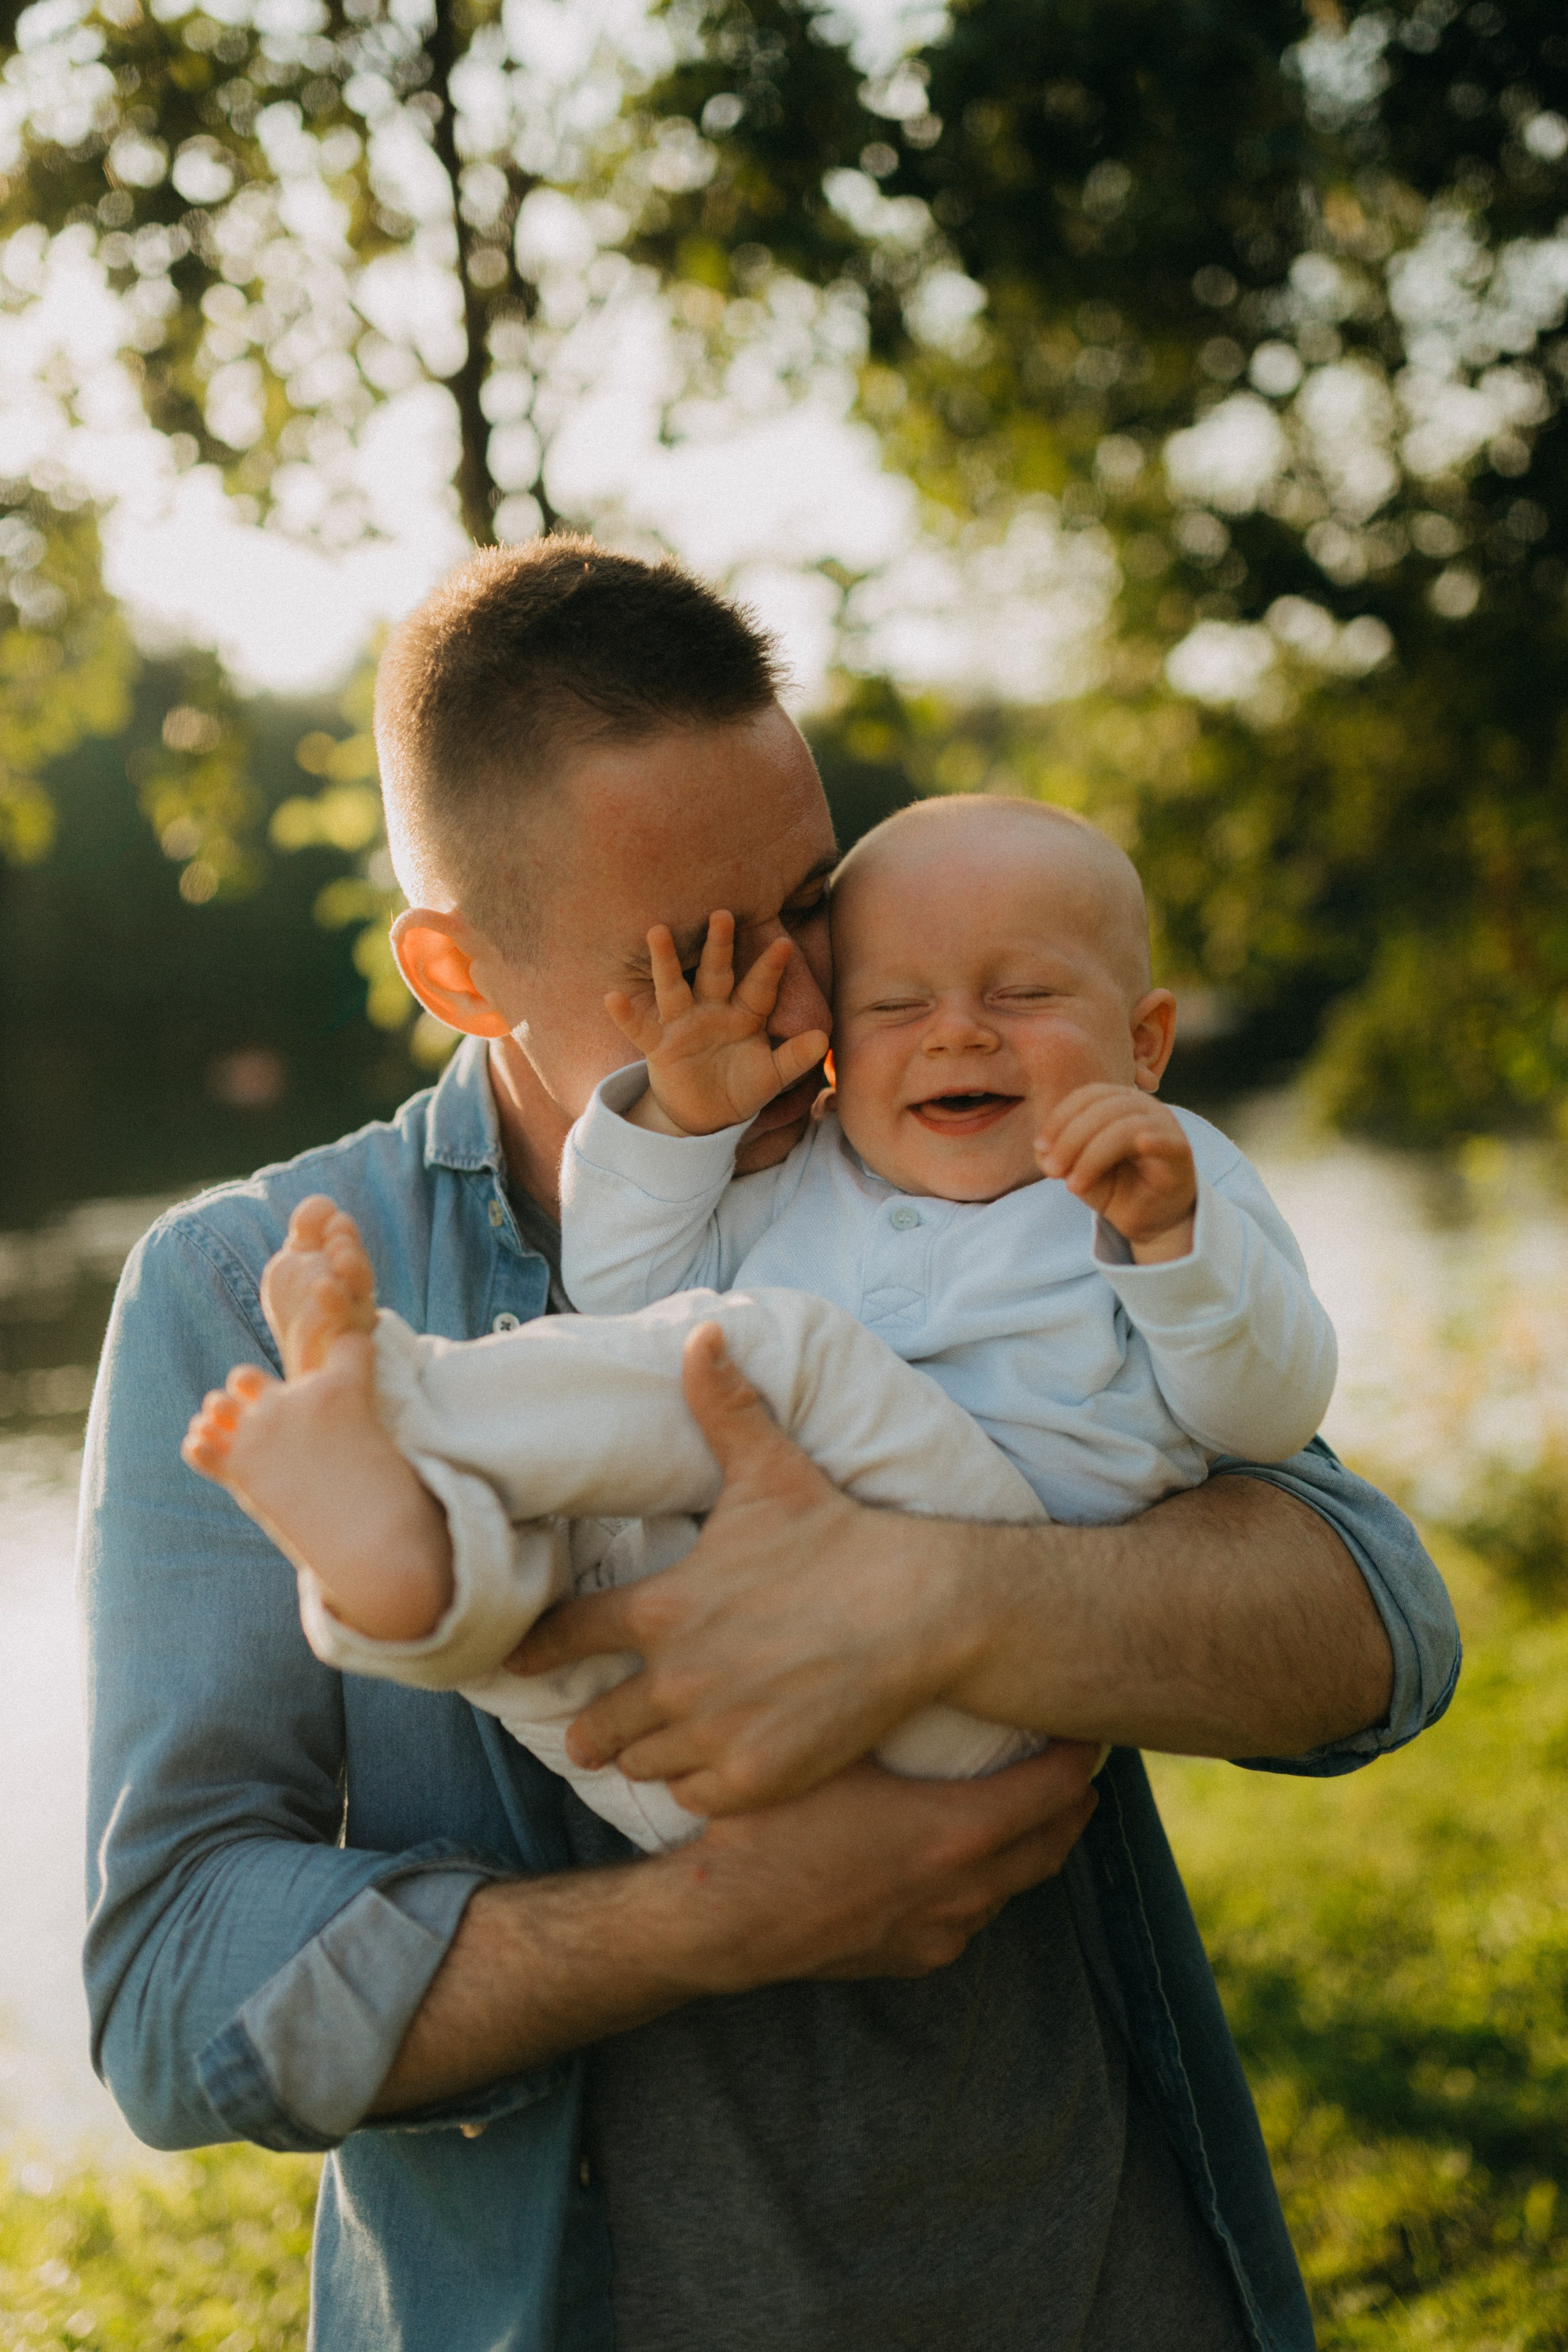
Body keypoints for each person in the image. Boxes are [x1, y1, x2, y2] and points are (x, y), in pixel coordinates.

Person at [83, 537, 1460, 2352]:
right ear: (458, 971)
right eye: (694, 962)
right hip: (575, 2310)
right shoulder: (251, 1284)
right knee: (472, 1585)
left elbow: (1377, 1629)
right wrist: (712, 1918)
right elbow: (178, 1998)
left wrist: (941, 1605)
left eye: (807, 909)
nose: (810, 1015)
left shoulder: (958, 1159)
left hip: (1093, 2278)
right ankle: (408, 1487)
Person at [179, 797, 1337, 1860]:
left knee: (762, 1352)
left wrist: (1173, 1246)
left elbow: (1270, 1418)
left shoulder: (1168, 1179)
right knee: (560, 1586)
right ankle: (406, 1583)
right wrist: (684, 1126)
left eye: (1024, 996)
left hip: (984, 1691)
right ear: (836, 1042)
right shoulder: (808, 1168)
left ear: (1144, 1044)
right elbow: (626, 1293)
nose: (957, 1035)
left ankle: (390, 1396)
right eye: (894, 1007)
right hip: (690, 1764)